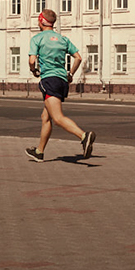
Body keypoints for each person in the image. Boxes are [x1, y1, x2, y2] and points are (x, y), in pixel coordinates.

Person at [25, 9, 96, 162]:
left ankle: (84, 136)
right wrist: (70, 73)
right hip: (62, 80)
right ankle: (39, 151)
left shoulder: (37, 39)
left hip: (49, 80)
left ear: (40, 21)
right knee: (46, 116)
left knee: (57, 118)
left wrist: (33, 70)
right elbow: (77, 58)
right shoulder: (63, 39)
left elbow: (32, 61)